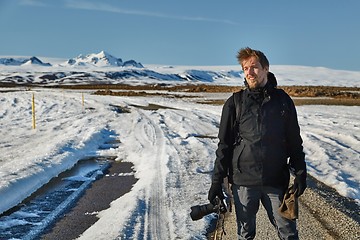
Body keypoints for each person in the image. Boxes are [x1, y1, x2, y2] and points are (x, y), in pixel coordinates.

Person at [208, 47, 307, 240]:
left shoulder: (283, 101)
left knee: (288, 233)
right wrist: (216, 182)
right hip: (243, 182)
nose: (249, 72)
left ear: (266, 69)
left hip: (276, 180)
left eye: (254, 67)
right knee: (245, 235)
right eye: (245, 68)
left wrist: (301, 173)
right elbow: (224, 146)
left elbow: (295, 141)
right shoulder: (234, 103)